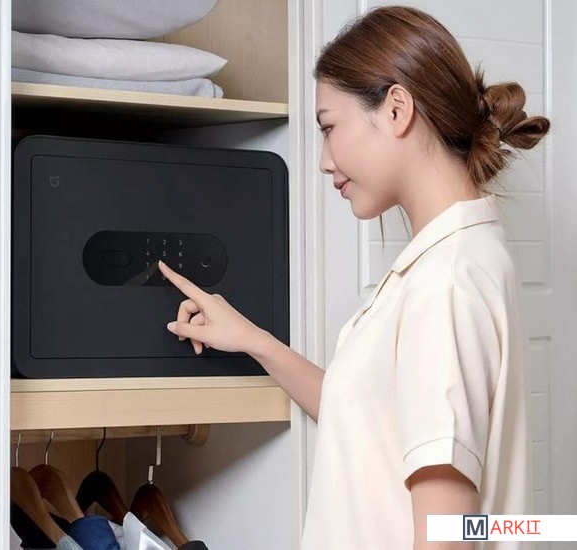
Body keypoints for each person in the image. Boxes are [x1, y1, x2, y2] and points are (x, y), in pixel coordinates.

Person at [157, 5, 550, 549]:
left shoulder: (446, 282)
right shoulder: (456, 259)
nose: (323, 160)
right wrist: (253, 340)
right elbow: (371, 423)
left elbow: (446, 533)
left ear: (396, 110)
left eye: (329, 127)